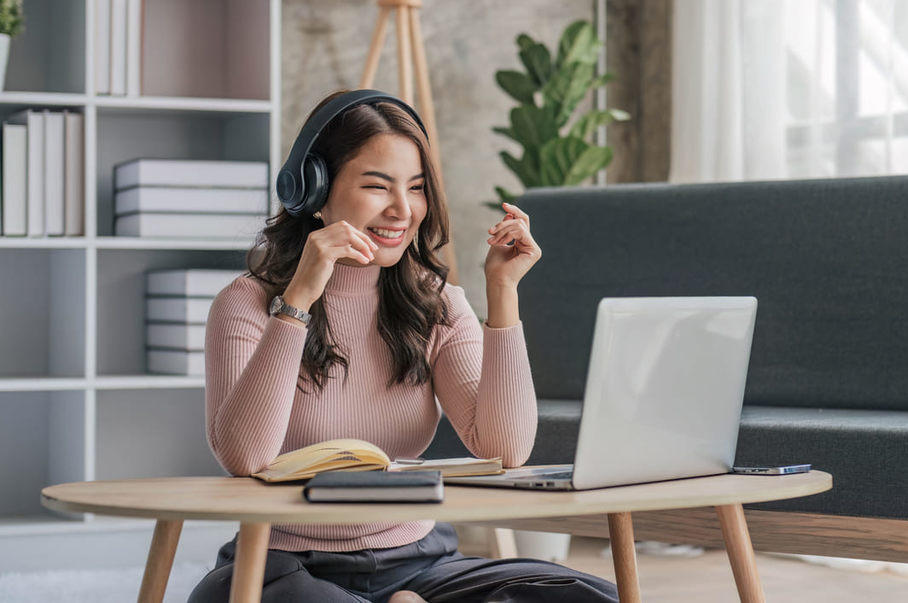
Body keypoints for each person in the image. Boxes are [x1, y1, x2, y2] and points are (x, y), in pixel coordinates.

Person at [188, 90, 619, 602]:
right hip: (285, 569)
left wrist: (502, 293)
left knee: (590, 597)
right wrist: (298, 298)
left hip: (419, 562)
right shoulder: (245, 303)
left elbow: (504, 449)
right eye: (376, 186)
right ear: (313, 193)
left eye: (415, 189)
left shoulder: (435, 303)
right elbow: (244, 456)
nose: (402, 210)